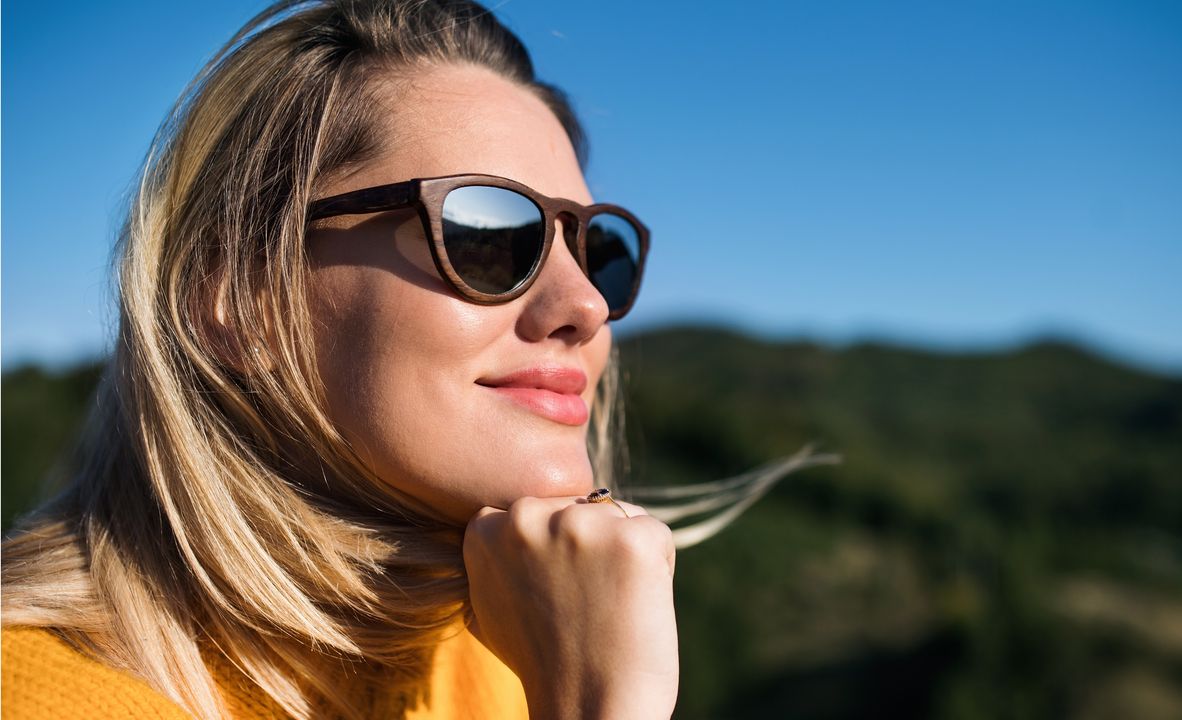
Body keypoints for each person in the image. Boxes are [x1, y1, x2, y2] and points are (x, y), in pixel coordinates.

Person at [1, 1, 678, 717]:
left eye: (594, 251)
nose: (587, 306)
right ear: (243, 303)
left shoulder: (513, 652)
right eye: (491, 237)